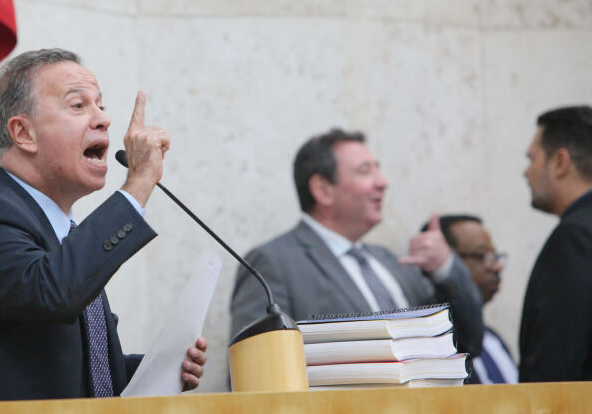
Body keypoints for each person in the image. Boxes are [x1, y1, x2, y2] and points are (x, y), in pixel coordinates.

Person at [0, 48, 206, 401]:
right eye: (78, 106)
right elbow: (53, 292)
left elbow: (90, 373)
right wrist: (138, 185)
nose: (103, 120)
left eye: (101, 105)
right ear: (23, 133)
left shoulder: (63, 234)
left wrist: (161, 370)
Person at [229, 129, 484, 356]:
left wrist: (445, 269)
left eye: (378, 169)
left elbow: (468, 344)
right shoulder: (273, 264)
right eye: (365, 171)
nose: (383, 182)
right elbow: (255, 368)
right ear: (323, 189)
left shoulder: (394, 263)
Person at [519, 105, 592, 382]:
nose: (526, 173)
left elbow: (554, 370)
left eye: (532, 159)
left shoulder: (575, 239)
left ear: (560, 162)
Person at [425, 215, 517, 384]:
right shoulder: (435, 345)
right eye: (481, 255)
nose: (496, 266)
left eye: (494, 256)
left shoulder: (493, 339)